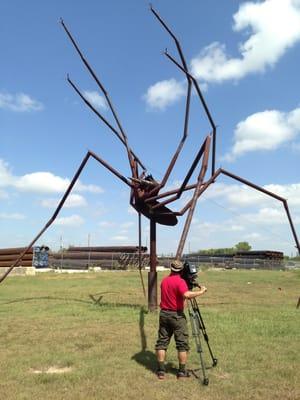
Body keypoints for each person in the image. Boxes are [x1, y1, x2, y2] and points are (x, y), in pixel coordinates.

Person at [155, 259, 207, 380]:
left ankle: (161, 370)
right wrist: (201, 291)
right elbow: (186, 295)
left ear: (171, 268)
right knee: (182, 344)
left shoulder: (164, 281)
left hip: (164, 314)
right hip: (177, 315)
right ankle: (182, 372)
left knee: (162, 342)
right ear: (181, 269)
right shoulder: (180, 282)